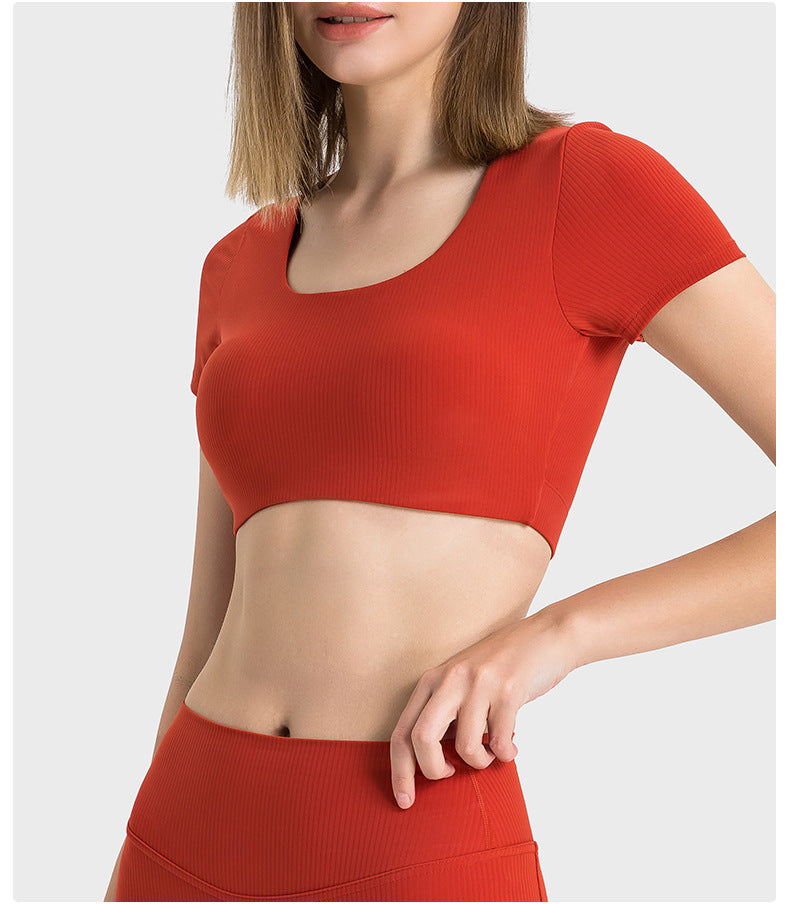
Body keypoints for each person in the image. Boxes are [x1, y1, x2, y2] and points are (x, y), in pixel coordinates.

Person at [105, 2, 776, 901]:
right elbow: (207, 628)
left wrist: (560, 637)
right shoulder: (239, 262)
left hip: (416, 836)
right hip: (188, 826)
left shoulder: (588, 187)